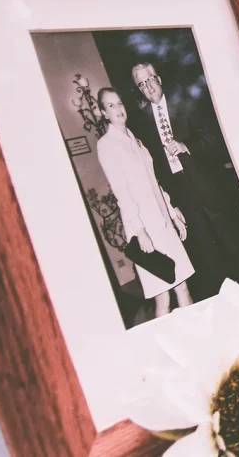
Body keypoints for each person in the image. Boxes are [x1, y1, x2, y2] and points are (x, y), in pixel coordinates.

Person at [128, 62, 239, 301]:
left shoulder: (185, 103)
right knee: (206, 250)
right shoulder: (141, 122)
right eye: (142, 84)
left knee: (232, 241)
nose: (148, 86)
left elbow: (212, 138)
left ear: (159, 79)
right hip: (181, 193)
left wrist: (186, 146)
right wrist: (170, 205)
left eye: (150, 79)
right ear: (139, 90)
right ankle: (225, 302)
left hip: (208, 185)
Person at [95, 87, 194, 318]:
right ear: (103, 113)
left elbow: (154, 182)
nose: (118, 109)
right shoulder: (107, 145)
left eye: (119, 103)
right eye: (111, 106)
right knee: (163, 297)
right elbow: (122, 193)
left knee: (183, 286)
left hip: (162, 223)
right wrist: (140, 232)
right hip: (145, 230)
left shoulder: (135, 140)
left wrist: (172, 210)